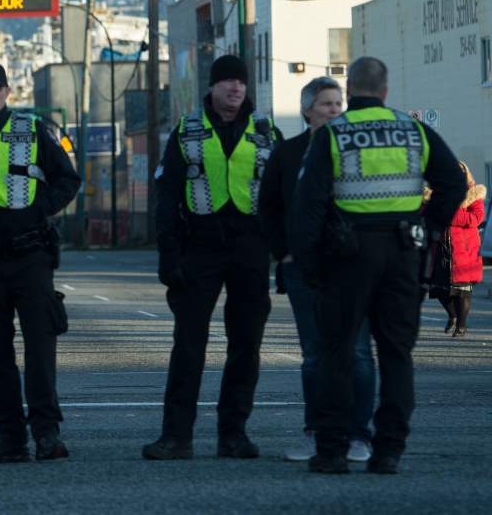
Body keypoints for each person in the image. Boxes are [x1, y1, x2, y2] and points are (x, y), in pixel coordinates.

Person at [292, 56, 466, 474]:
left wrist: (310, 265)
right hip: (403, 253)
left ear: (349, 90)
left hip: (347, 256)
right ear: (385, 91)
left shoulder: (333, 134)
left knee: (337, 352)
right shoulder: (413, 130)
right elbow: (453, 182)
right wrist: (429, 225)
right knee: (395, 355)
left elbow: (308, 206)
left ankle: (332, 451)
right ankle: (388, 451)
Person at [143, 54, 281, 460]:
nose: (235, 88)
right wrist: (168, 256)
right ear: (212, 88)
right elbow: (166, 199)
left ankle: (233, 434)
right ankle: (176, 437)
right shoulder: (186, 132)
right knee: (188, 344)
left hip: (250, 247)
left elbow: (282, 194)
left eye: (241, 82)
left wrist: (282, 251)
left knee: (246, 344)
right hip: (199, 246)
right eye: (227, 82)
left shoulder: (266, 131)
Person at [0, 60, 81, 463]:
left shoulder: (31, 130)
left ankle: (47, 433)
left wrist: (39, 210)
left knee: (40, 350)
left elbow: (67, 178)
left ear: (8, 92)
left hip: (31, 255)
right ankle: (10, 436)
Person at [257, 77, 375, 464]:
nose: (334, 110)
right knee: (315, 355)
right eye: (326, 104)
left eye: (338, 103)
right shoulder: (287, 154)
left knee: (357, 353)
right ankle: (316, 433)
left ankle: (358, 435)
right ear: (307, 109)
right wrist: (284, 253)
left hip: (354, 267)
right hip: (304, 269)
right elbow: (269, 208)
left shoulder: (358, 147)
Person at [433, 162, 484, 337]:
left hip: (464, 248)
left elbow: (476, 218)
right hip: (441, 246)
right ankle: (453, 316)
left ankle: (461, 326)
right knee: (439, 288)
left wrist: (449, 213)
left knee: (462, 290)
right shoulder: (438, 192)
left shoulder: (474, 193)